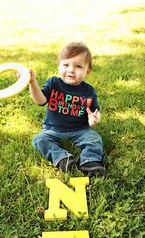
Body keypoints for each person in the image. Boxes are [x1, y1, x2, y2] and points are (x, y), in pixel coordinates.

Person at [29, 42, 106, 176]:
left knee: (94, 138)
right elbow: (40, 100)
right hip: (53, 130)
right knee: (39, 140)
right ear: (58, 66)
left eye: (78, 66)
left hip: (80, 130)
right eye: (66, 65)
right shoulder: (54, 83)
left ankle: (90, 162)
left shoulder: (88, 91)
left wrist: (94, 118)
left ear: (87, 71)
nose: (71, 70)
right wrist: (32, 82)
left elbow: (94, 112)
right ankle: (63, 159)